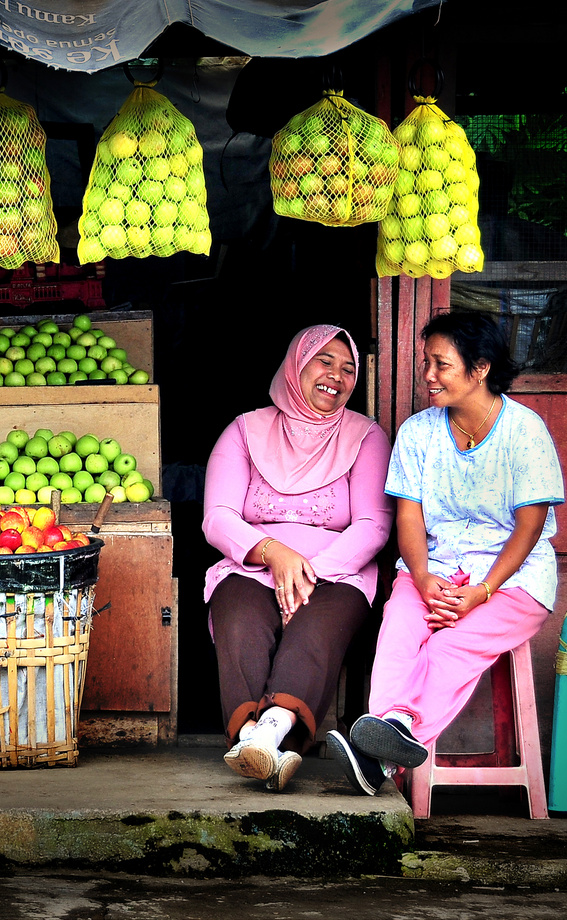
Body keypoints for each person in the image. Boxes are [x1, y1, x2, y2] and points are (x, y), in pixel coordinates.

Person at [327, 311, 565, 795]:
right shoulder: (419, 433)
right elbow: (409, 517)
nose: (428, 376)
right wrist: (420, 576)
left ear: (480, 368)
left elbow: (530, 526)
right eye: (425, 362)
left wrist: (482, 591)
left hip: (511, 581)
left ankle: (384, 749)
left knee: (448, 646)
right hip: (433, 569)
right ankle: (390, 732)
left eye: (441, 364)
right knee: (398, 628)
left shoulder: (525, 431)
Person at [201, 324, 392, 792]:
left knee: (315, 630)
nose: (336, 376)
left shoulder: (366, 437)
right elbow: (217, 516)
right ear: (296, 366)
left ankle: (268, 732)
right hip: (254, 563)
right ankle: (257, 739)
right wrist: (274, 554)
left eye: (348, 369)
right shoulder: (245, 430)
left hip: (337, 571)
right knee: (239, 620)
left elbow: (375, 524)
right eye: (323, 362)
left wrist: (311, 573)